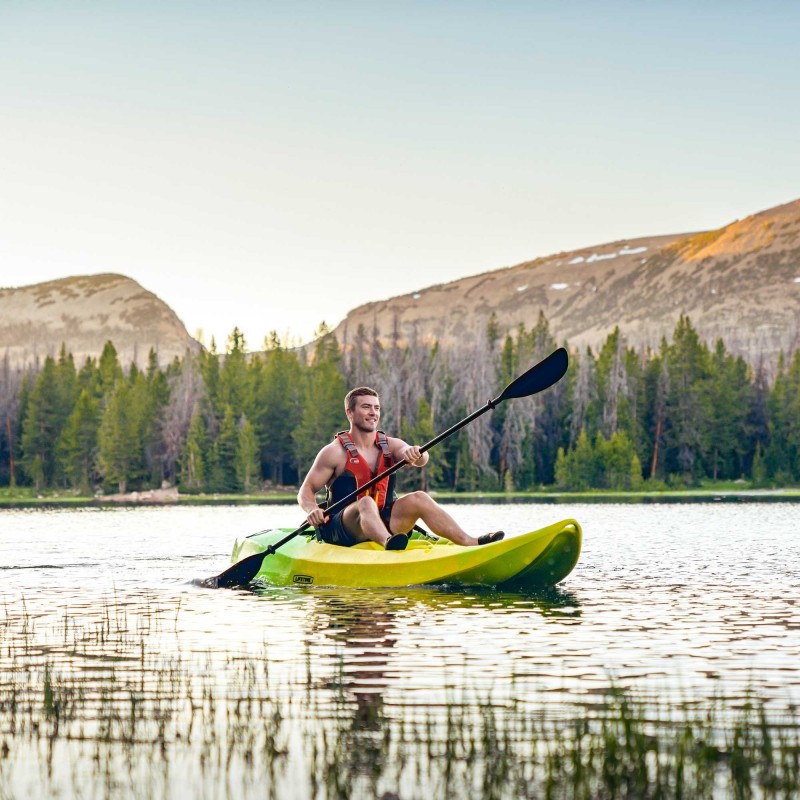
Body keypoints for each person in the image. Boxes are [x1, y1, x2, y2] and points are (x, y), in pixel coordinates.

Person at [298, 386, 505, 551]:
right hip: (342, 529)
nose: (373, 413)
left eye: (377, 407)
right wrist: (313, 509)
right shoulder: (334, 452)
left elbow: (422, 459)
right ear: (350, 413)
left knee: (419, 497)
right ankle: (388, 543)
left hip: (386, 519)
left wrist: (416, 453)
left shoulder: (390, 444)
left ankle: (468, 541)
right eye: (366, 407)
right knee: (366, 503)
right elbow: (305, 491)